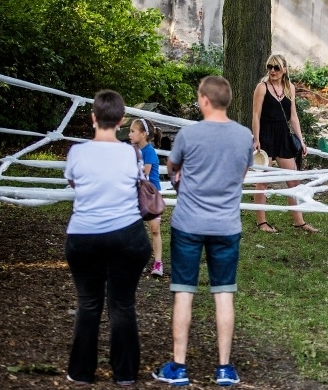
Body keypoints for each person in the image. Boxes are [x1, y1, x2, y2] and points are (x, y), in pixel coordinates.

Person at [153, 76, 254, 387]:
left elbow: (172, 168)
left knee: (183, 292)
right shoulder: (244, 135)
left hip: (188, 223)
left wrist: (180, 178)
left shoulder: (189, 134)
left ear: (205, 101)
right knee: (224, 294)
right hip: (226, 225)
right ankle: (224, 368)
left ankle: (178, 366)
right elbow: (243, 170)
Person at [64, 89, 152, 385]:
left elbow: (74, 183)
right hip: (126, 235)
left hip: (84, 235)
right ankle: (125, 373)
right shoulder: (132, 153)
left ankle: (81, 371)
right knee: (122, 304)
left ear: (93, 118)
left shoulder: (76, 152)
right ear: (122, 120)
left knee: (88, 303)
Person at [252, 54, 319, 233]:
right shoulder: (262, 87)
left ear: (284, 70)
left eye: (276, 67)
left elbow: (293, 116)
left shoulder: (290, 87)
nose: (272, 71)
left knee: (293, 180)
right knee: (264, 181)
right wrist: (256, 139)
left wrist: (301, 140)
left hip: (283, 135)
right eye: (269, 67)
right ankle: (261, 222)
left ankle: (299, 221)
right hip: (266, 135)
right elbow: (256, 115)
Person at [129, 117, 165, 276]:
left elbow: (145, 173)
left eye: (132, 131)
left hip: (151, 195)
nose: (129, 134)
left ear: (143, 134)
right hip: (135, 193)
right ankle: (138, 260)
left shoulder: (149, 152)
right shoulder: (131, 150)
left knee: (155, 229)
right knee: (136, 229)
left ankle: (158, 263)